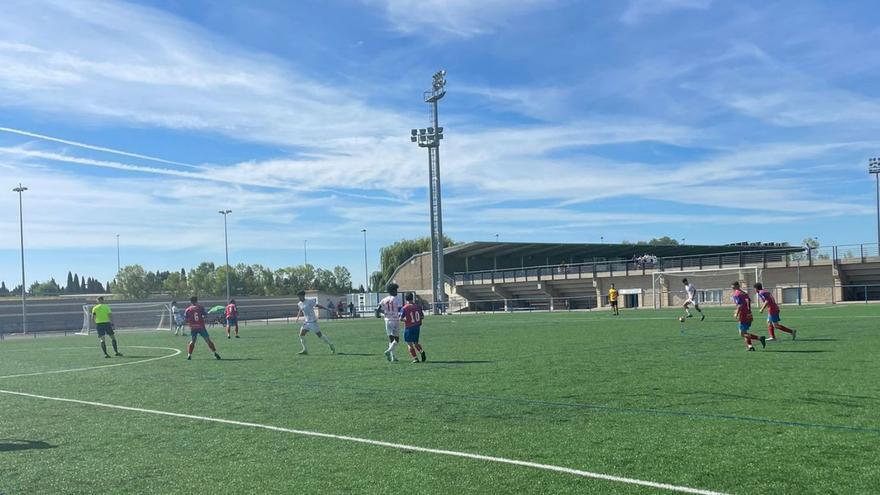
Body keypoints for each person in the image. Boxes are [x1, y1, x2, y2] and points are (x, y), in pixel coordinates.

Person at [295, 290, 335, 355]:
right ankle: (305, 350)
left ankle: (331, 345)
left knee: (320, 336)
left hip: (313, 322)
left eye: (299, 296)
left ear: (303, 296)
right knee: (301, 335)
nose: (298, 298)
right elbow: (300, 310)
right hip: (306, 322)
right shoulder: (299, 303)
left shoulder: (309, 301)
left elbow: (318, 306)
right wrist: (297, 317)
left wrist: (327, 309)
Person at [184, 296, 221, 361]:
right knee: (208, 340)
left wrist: (190, 323)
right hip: (201, 327)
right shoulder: (200, 308)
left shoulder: (188, 309)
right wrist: (205, 315)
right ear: (197, 301)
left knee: (192, 341)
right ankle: (215, 353)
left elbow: (186, 319)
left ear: (191, 301)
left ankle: (189, 355)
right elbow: (205, 315)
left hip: (193, 327)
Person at [732, 281, 765, 351]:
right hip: (748, 314)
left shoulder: (737, 294)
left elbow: (740, 305)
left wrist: (736, 313)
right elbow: (748, 303)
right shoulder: (745, 293)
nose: (732, 288)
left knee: (742, 334)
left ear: (737, 286)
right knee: (745, 332)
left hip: (743, 315)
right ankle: (750, 346)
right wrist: (749, 312)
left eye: (733, 287)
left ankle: (759, 338)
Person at [376, 283, 402, 362]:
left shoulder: (384, 299)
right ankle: (388, 351)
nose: (397, 291)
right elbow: (400, 309)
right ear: (393, 290)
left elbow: (377, 309)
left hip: (387, 320)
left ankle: (393, 357)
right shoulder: (396, 299)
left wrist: (382, 314)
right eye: (396, 290)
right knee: (396, 340)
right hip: (395, 320)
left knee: (391, 339)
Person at [401, 292, 426, 363]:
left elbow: (401, 318)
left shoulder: (405, 308)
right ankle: (421, 351)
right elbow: (422, 316)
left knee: (409, 344)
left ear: (406, 299)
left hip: (409, 327)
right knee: (416, 342)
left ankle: (415, 358)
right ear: (412, 298)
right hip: (417, 327)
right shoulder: (418, 306)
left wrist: (406, 319)